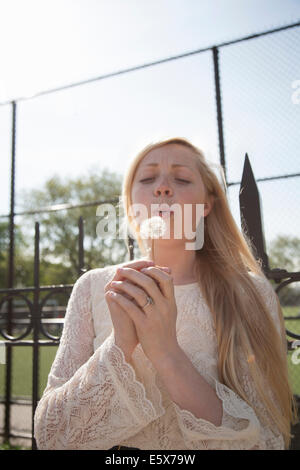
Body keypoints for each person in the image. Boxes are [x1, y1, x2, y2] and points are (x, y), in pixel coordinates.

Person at [34, 137, 298, 450]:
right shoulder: (92, 287)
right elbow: (51, 435)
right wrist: (121, 345)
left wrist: (166, 353)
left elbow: (266, 442)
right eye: (147, 179)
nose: (162, 188)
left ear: (207, 205)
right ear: (131, 205)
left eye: (182, 178)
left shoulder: (249, 292)